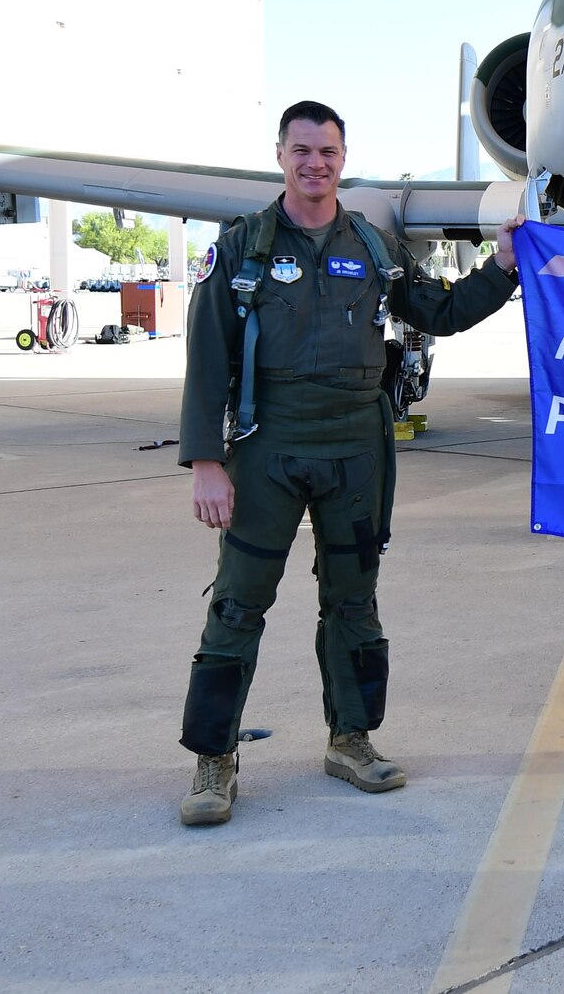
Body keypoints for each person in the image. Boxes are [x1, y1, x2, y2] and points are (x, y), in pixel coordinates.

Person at [175, 100, 525, 827]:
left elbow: (439, 310)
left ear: (342, 157)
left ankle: (351, 738)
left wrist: (501, 268)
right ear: (280, 155)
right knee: (238, 605)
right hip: (269, 444)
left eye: (327, 152)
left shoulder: (369, 244)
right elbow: (207, 355)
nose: (315, 163)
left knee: (354, 602)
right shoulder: (242, 247)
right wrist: (207, 459)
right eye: (301, 150)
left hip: (356, 448)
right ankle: (215, 758)